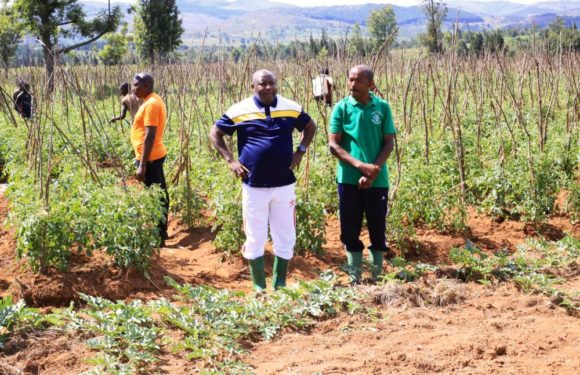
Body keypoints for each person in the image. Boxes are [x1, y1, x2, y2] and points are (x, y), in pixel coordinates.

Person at [210, 69, 317, 292]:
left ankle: (280, 285)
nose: (268, 87)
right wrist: (230, 160)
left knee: (285, 234)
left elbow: (310, 126)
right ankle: (259, 287)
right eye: (262, 84)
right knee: (255, 235)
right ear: (253, 87)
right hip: (254, 184)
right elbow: (215, 133)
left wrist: (300, 151)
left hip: (284, 184)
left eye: (271, 83)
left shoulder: (290, 107)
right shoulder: (240, 110)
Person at [328, 64, 396, 283]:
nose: (353, 84)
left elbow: (388, 143)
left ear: (370, 84)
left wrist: (373, 170)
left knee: (378, 227)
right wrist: (360, 166)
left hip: (377, 180)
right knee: (349, 229)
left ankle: (376, 278)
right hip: (348, 179)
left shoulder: (382, 108)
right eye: (350, 79)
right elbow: (334, 145)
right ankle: (355, 278)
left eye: (358, 80)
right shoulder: (341, 108)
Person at [131, 72, 169, 245]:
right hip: (151, 156)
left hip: (151, 158)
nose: (133, 88)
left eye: (135, 84)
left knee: (156, 197)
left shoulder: (152, 104)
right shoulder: (151, 101)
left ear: (145, 84)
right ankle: (161, 232)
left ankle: (159, 236)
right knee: (159, 193)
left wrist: (143, 165)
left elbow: (150, 135)